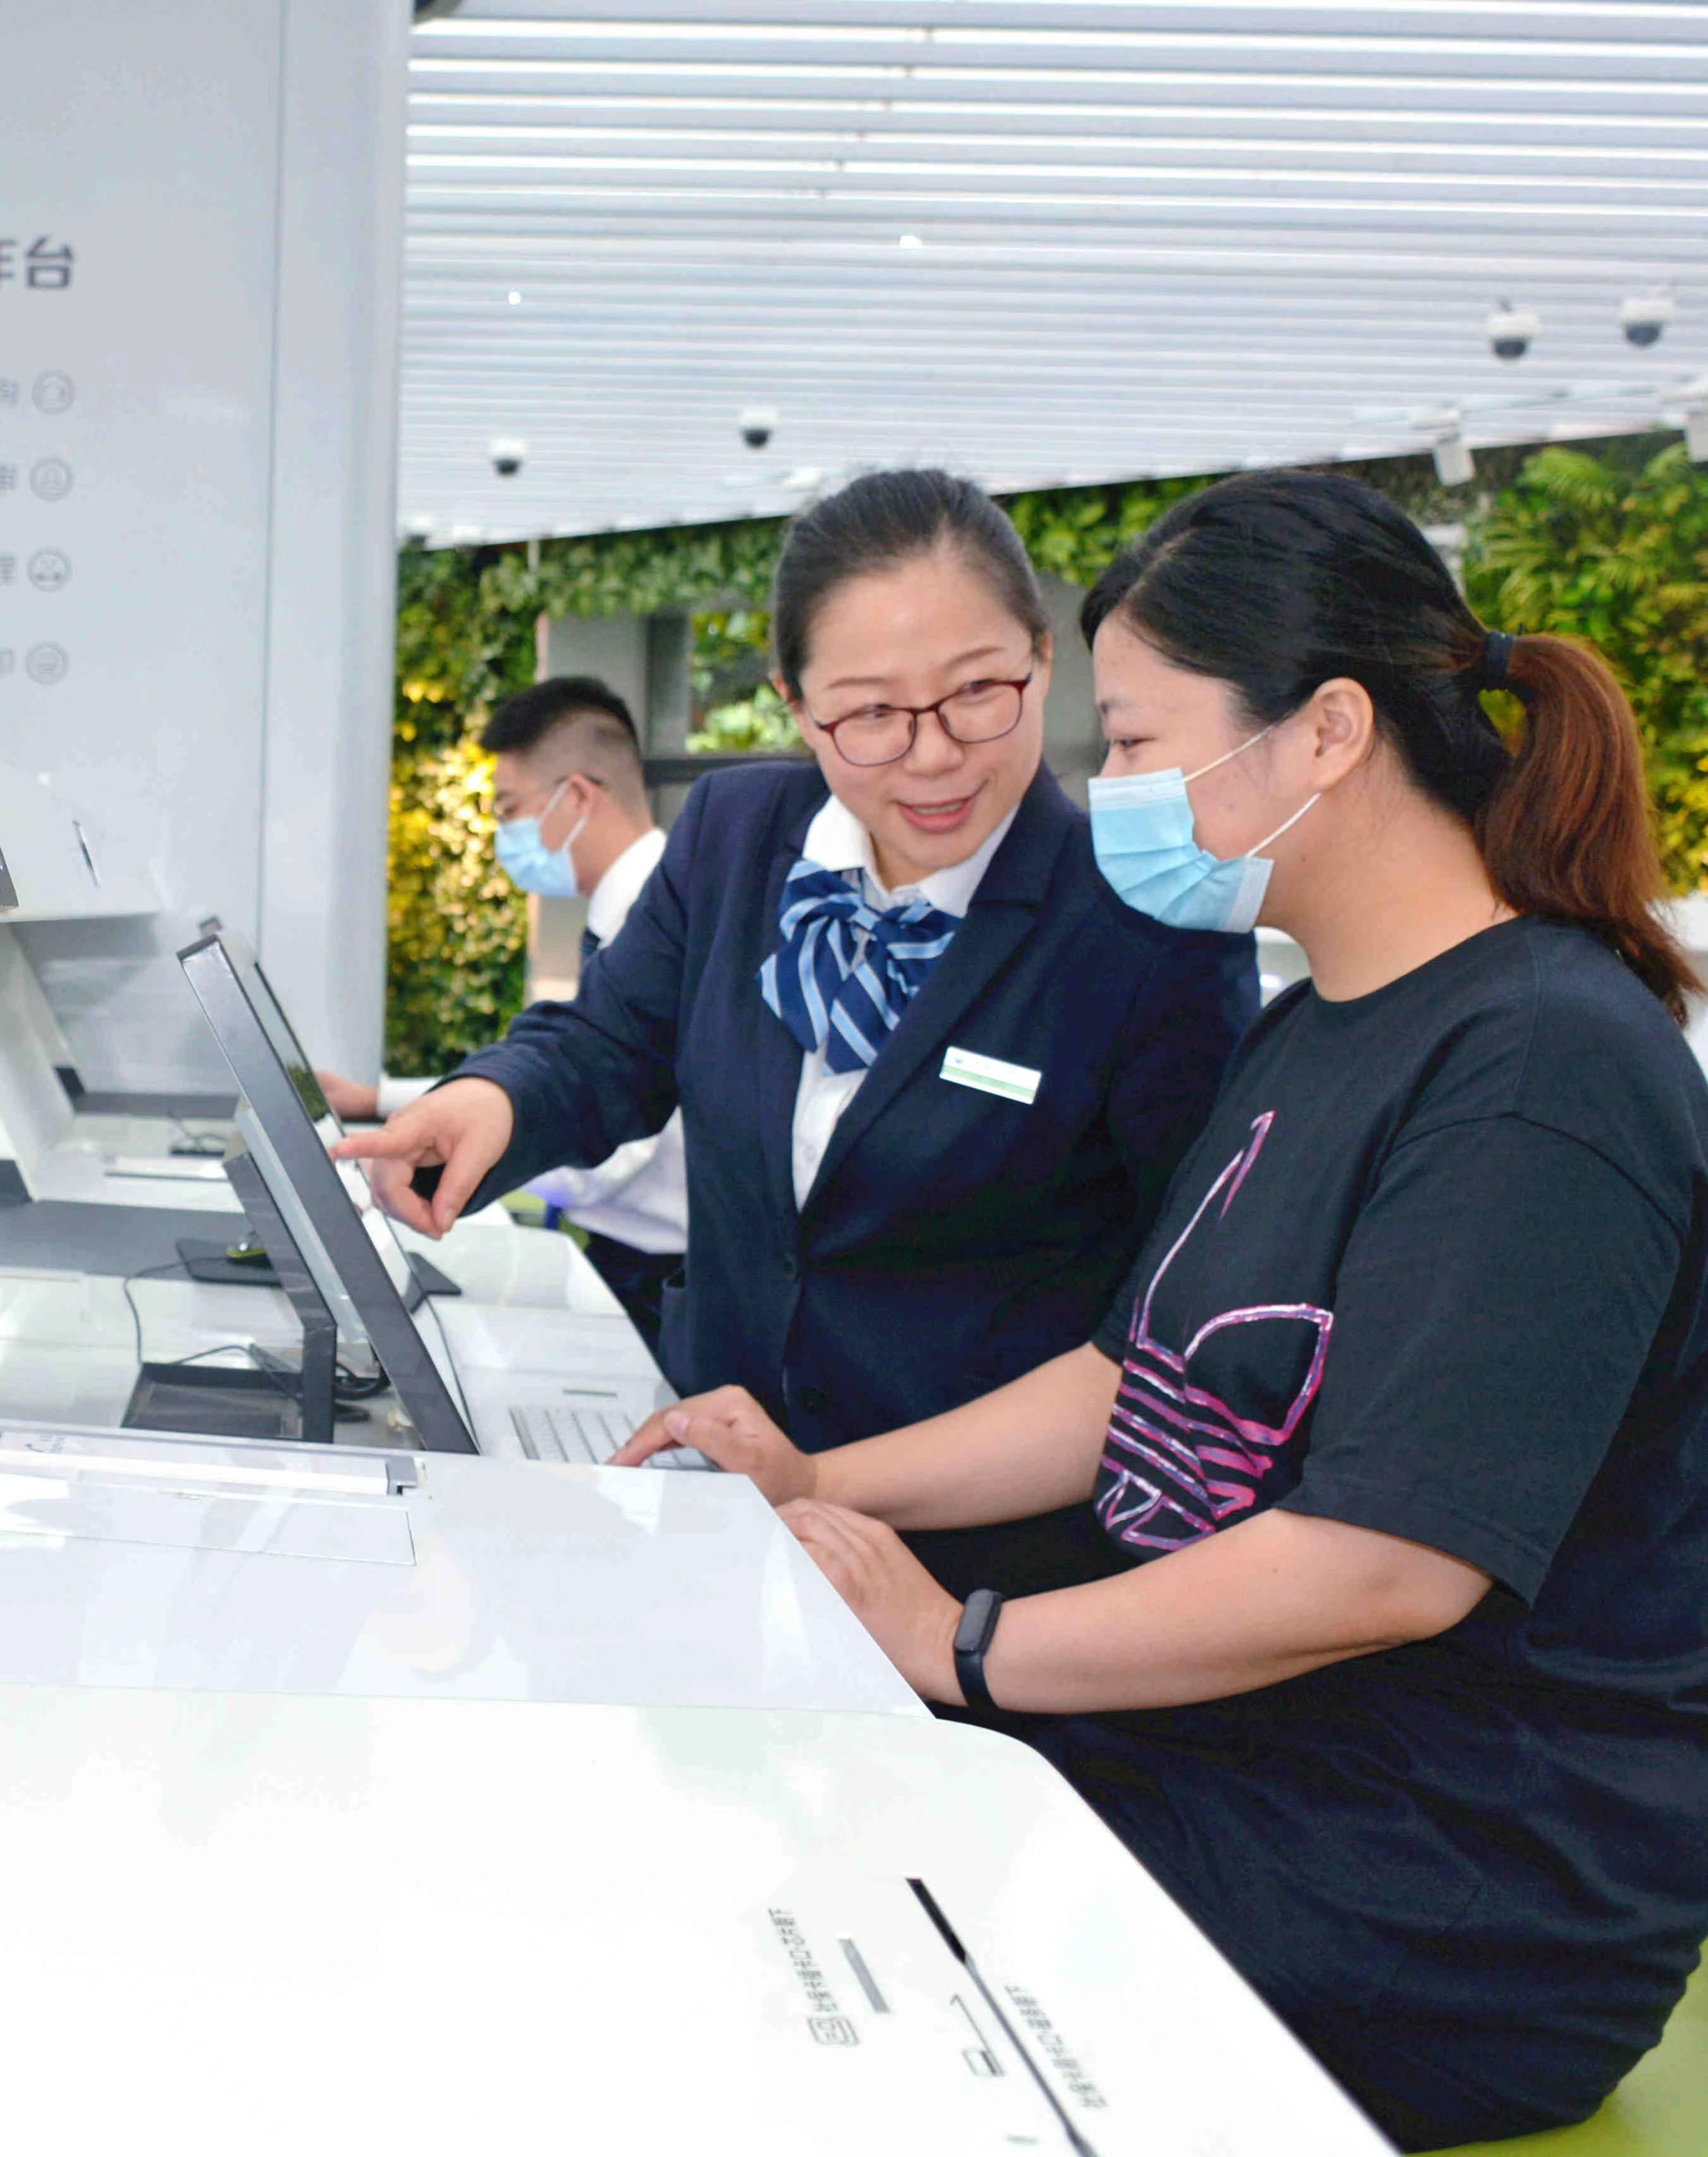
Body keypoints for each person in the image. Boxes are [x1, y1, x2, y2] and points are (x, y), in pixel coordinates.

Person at [617, 470, 1708, 2149]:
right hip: (1246, 1766)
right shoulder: (1314, 1024)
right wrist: (819, 1486)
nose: (1104, 787)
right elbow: (1124, 1379)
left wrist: (959, 1642)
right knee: (728, 1797)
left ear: (1326, 729)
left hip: (1442, 1880)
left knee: (784, 1947)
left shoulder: (1540, 1065)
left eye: (1131, 740)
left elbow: (1388, 1562)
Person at [338, 468, 1257, 1593]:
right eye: (868, 714)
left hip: (974, 1563)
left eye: (979, 692)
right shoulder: (738, 836)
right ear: (794, 701)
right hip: (715, 1507)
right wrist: (491, 1100)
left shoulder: (1143, 925)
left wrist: (836, 1485)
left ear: (1043, 658)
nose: (932, 753)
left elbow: (1175, 1313)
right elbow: (609, 1042)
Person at [322, 676, 690, 1347]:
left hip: (660, 1280)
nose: (502, 833)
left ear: (577, 797)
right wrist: (382, 1102)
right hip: (638, 1264)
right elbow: (570, 1068)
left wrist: (449, 1163)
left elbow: (609, 1130)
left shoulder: (659, 921)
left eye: (509, 809)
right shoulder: (631, 909)